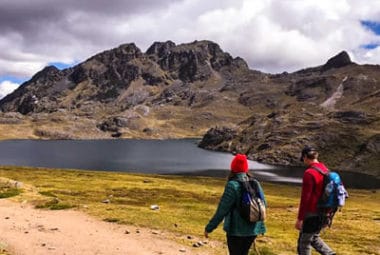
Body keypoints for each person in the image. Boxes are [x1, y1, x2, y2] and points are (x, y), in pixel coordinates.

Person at [204, 154, 266, 255]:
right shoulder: (255, 183)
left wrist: (209, 228)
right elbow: (263, 205)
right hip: (252, 230)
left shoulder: (232, 185)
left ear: (233, 168)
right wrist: (261, 227)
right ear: (246, 168)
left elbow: (222, 210)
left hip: (236, 231)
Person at [296, 146, 336, 255]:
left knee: (303, 244)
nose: (303, 162)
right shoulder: (325, 170)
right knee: (313, 238)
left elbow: (306, 198)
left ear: (305, 157)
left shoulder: (309, 173)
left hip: (312, 214)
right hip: (325, 212)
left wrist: (300, 219)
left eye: (303, 159)